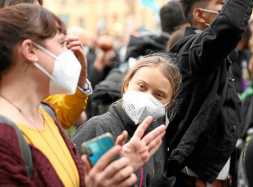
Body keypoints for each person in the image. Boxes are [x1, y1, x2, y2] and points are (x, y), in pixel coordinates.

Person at [0, 4, 165, 187]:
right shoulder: (4, 136)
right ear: (30, 50)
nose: (71, 53)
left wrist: (113, 169)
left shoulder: (47, 114)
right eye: (62, 43)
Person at [164, 0, 253, 186]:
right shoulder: (195, 48)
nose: (227, 10)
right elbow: (229, 25)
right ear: (200, 15)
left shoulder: (217, 56)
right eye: (222, 4)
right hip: (196, 179)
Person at [73, 53, 182, 187]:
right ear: (126, 85)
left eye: (158, 95)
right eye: (142, 87)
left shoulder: (156, 141)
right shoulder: (98, 126)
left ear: (169, 103)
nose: (147, 97)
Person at [0, 0, 92, 129]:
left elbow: (63, 115)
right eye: (61, 43)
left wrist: (80, 81)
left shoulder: (46, 113)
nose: (43, 16)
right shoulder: (6, 130)